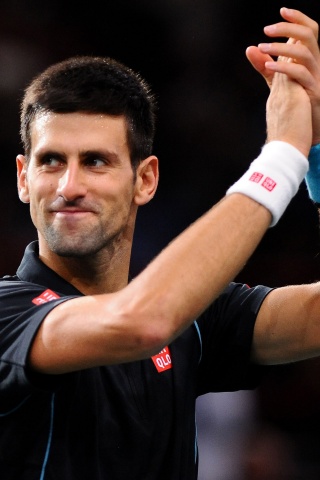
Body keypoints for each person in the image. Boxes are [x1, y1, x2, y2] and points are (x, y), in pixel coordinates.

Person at [0, 6, 318, 479]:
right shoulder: (8, 313)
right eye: (50, 161)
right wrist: (282, 155)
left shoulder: (192, 318)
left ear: (145, 180)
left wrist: (316, 156)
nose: (68, 185)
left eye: (95, 161)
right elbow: (143, 322)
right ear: (23, 179)